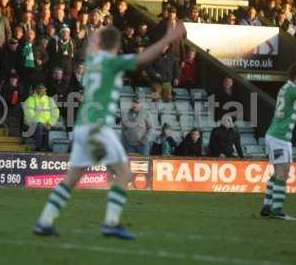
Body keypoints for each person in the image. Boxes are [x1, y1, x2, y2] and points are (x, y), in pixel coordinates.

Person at [33, 23, 184, 239]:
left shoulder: (93, 61)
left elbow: (92, 46)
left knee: (72, 178)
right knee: (124, 173)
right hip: (98, 127)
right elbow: (143, 58)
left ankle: (44, 221)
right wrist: (167, 39)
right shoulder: (112, 62)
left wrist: (95, 36)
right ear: (118, 45)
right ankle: (111, 223)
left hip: (82, 127)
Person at [260, 64, 296, 221]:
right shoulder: (292, 89)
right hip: (279, 137)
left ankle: (267, 206)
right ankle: (277, 210)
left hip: (280, 137)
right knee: (282, 173)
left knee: (281, 172)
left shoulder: (288, 88)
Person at [24, 84, 59, 151]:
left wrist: (50, 123)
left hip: (47, 124)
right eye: (39, 88)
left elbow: (55, 112)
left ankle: (51, 148)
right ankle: (38, 147)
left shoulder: (50, 99)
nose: (40, 90)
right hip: (32, 123)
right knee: (39, 126)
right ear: (36, 89)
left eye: (42, 88)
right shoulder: (30, 99)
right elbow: (30, 115)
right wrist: (43, 123)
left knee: (59, 127)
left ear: (45, 89)